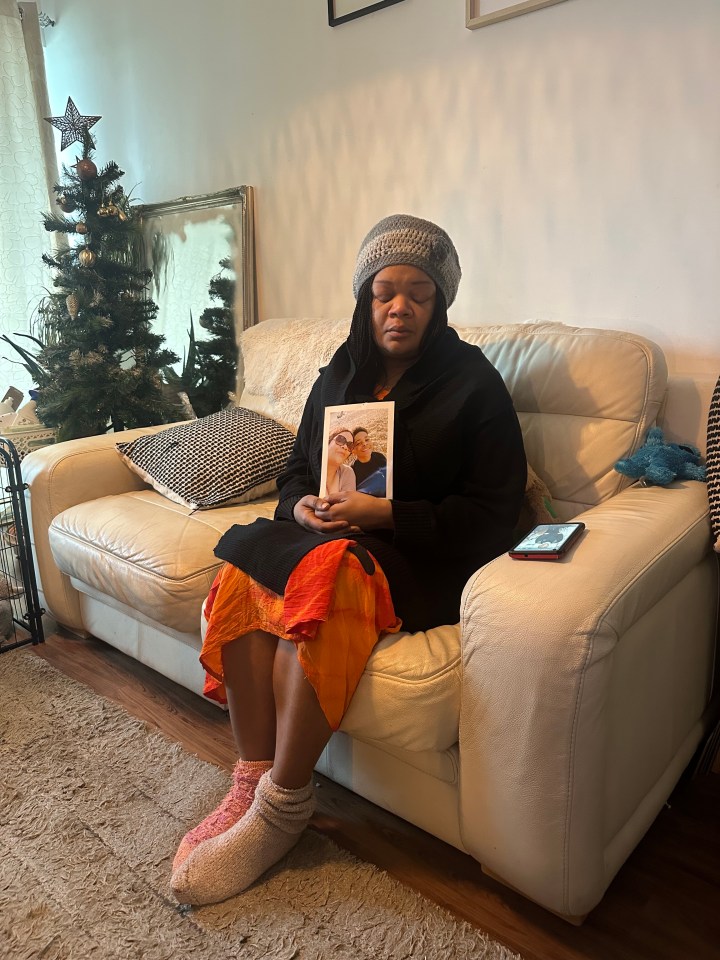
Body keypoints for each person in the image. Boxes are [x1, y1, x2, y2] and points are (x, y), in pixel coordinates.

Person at [170, 213, 527, 906]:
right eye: (384, 291)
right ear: (365, 299)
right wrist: (299, 507)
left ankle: (284, 807)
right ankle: (251, 777)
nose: (400, 307)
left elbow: (492, 516)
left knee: (329, 574)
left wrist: (386, 513)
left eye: (418, 293)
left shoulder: (474, 385)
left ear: (440, 301)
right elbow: (297, 472)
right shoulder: (340, 370)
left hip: (421, 557)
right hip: (327, 539)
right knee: (243, 562)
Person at [324, 428, 357, 495]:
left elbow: (348, 504)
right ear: (328, 442)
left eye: (350, 446)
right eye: (340, 440)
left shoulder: (347, 472)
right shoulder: (307, 469)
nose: (345, 447)